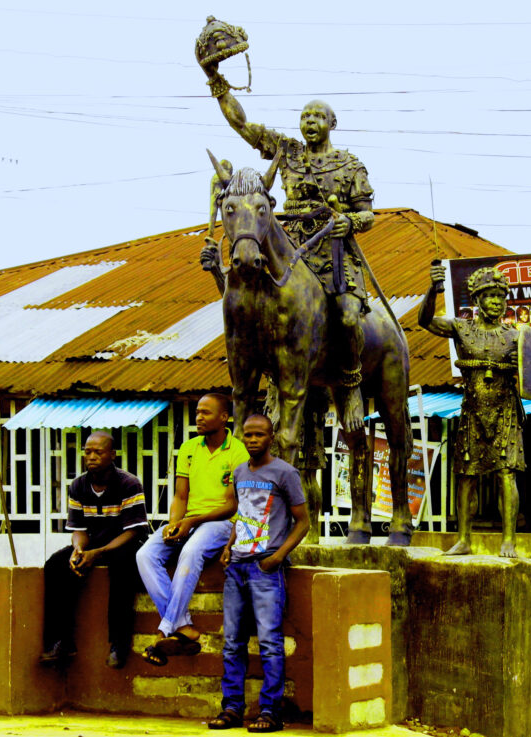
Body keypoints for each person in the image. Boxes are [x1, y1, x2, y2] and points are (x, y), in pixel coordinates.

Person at [202, 64, 375, 433]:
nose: (310, 121)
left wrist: (350, 222)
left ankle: (351, 381)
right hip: (287, 251)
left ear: (333, 122)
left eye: (318, 116)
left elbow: (368, 215)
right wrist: (217, 81)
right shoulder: (287, 151)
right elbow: (242, 125)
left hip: (332, 253)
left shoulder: (350, 165)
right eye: (304, 116)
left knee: (346, 315)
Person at [208, 414, 309, 733]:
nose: (252, 440)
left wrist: (278, 556)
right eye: (247, 435)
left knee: (269, 641)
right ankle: (232, 708)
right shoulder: (239, 472)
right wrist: (228, 546)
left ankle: (270, 711)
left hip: (266, 567)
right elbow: (243, 514)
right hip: (236, 567)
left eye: (259, 435)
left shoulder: (285, 472)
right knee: (233, 641)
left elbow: (303, 522)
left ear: (271, 437)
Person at [418, 265, 525, 558]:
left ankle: (508, 540)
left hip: (505, 411)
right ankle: (464, 537)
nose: (496, 302)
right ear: (477, 301)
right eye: (489, 296)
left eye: (501, 297)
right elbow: (424, 320)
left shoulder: (517, 337)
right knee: (466, 475)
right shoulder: (461, 329)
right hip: (472, 411)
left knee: (507, 474)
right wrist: (432, 289)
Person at [138, 393, 249, 666]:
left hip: (222, 523)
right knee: (145, 555)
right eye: (197, 412)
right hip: (190, 521)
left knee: (191, 551)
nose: (199, 417)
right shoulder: (189, 448)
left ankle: (163, 630)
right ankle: (182, 626)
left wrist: (192, 522)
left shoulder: (238, 452)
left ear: (224, 417)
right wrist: (175, 523)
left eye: (206, 413)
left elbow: (232, 504)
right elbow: (180, 496)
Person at [40, 431, 147, 668]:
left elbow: (133, 532)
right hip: (95, 544)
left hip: (125, 544)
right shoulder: (78, 485)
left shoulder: (129, 483)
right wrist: (78, 550)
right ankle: (61, 642)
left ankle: (119, 645)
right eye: (87, 451)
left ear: (112, 454)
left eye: (98, 452)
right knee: (56, 565)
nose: (91, 457)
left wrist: (97, 554)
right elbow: (78, 530)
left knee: (122, 567)